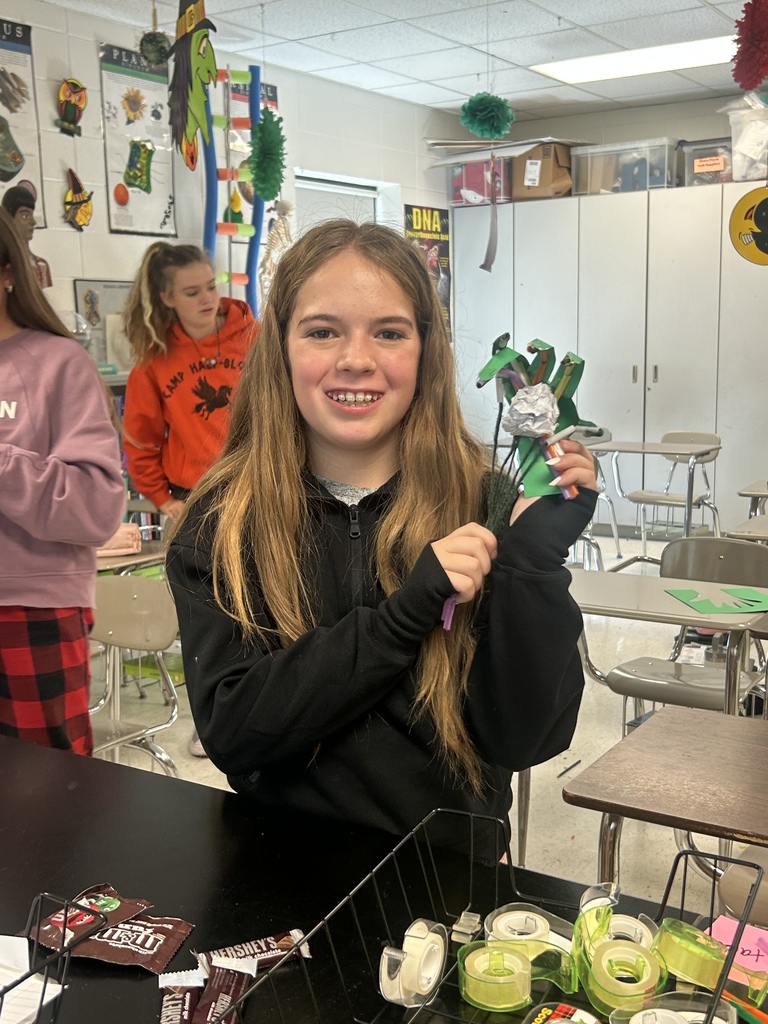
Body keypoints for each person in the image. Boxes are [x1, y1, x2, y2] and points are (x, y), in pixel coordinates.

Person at [166, 219, 597, 855]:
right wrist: (401, 619)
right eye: (322, 331)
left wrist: (531, 562)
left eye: (389, 332)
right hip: (281, 878)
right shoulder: (225, 524)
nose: (357, 359)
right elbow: (233, 732)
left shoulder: (484, 504)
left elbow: (523, 740)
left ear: (425, 350)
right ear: (280, 348)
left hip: (450, 884)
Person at [122, 241, 257, 757]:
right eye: (192, 292)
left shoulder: (256, 338)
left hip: (255, 489)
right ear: (166, 297)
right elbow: (139, 441)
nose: (207, 299)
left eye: (211, 287)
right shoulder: (154, 364)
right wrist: (162, 501)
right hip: (194, 502)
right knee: (208, 619)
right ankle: (213, 721)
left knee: (266, 605)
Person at [0, 207, 125, 754]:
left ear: (8, 273)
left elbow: (97, 510)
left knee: (47, 805)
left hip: (29, 609)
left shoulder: (56, 363)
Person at [1, 185, 52, 289]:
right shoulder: (4, 266)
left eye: (32, 215)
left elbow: (43, 302)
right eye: (25, 216)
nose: (33, 222)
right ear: (9, 219)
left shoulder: (40, 266)